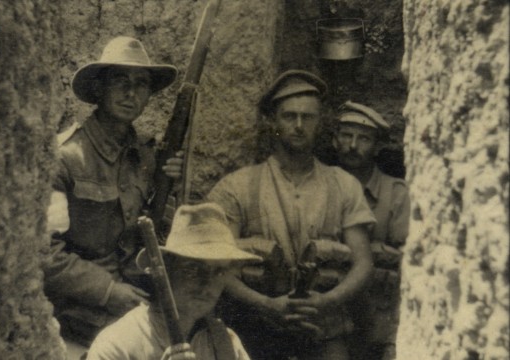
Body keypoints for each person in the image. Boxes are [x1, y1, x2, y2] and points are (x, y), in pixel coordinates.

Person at [207, 70, 376, 360]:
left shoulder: (344, 185)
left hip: (324, 327)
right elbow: (217, 267)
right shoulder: (238, 186)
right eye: (289, 116)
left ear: (320, 123)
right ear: (272, 121)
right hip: (256, 329)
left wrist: (327, 301)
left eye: (308, 117)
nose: (299, 125)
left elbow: (363, 263)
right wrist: (265, 305)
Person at [43, 36, 184, 345]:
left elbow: (156, 236)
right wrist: (107, 291)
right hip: (78, 309)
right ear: (99, 88)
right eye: (120, 80)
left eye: (141, 83)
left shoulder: (148, 157)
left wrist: (172, 190)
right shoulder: (65, 158)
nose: (131, 92)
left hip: (135, 299)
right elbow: (44, 253)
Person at [86, 203, 261, 360]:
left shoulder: (226, 343)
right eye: (193, 269)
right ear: (166, 270)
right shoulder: (118, 345)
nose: (206, 282)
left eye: (219, 272)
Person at [332, 101, 410, 360]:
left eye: (364, 138)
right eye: (346, 135)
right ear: (334, 140)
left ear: (377, 148)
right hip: (332, 317)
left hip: (379, 320)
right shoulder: (322, 186)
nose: (353, 145)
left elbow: (412, 261)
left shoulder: (395, 194)